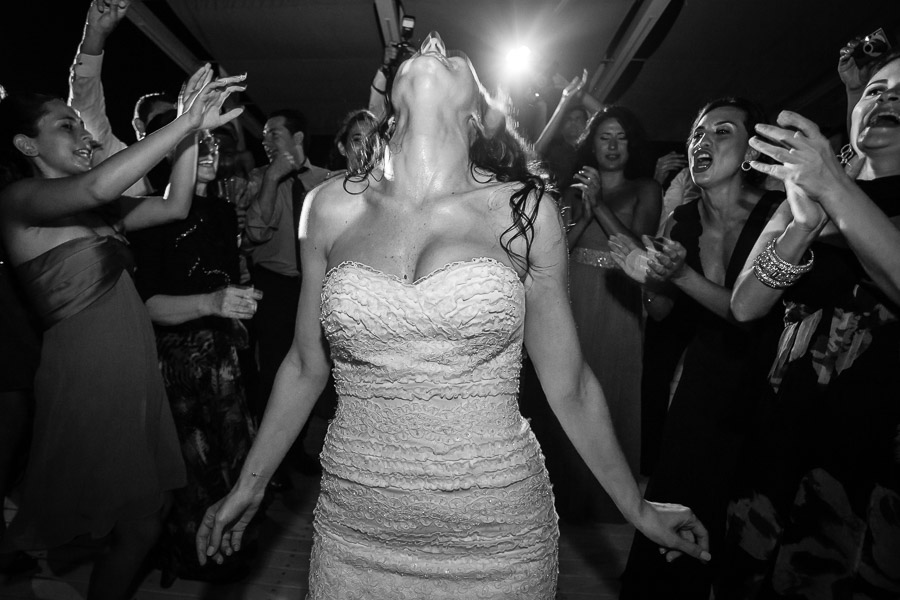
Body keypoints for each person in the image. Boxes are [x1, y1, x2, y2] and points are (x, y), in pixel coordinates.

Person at [197, 32, 709, 599]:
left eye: (457, 57)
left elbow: (570, 384)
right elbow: (302, 365)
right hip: (355, 531)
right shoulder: (328, 207)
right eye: (423, 51)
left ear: (479, 117)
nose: (435, 43)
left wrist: (637, 507)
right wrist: (250, 484)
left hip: (496, 535)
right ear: (391, 101)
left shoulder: (525, 211)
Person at [0, 65, 245, 599]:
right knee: (124, 516)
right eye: (67, 126)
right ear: (26, 143)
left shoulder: (103, 209)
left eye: (80, 126)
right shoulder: (19, 201)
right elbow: (96, 183)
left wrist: (193, 130)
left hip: (133, 365)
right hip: (88, 375)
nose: (84, 135)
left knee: (145, 518)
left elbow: (175, 205)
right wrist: (182, 122)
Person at [720, 50, 900, 599]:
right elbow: (746, 305)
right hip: (785, 423)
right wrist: (801, 225)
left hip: (877, 439)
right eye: (875, 90)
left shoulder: (833, 186)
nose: (886, 98)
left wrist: (835, 188)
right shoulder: (811, 193)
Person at [611, 97, 784, 599]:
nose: (701, 142)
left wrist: (680, 275)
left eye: (721, 131)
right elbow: (662, 312)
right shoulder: (680, 219)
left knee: (747, 537)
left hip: (764, 388)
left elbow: (745, 311)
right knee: (675, 523)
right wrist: (649, 280)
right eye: (695, 134)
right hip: (702, 387)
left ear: (751, 148)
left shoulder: (780, 216)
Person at [128, 130, 262, 586]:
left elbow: (225, 279)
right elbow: (147, 305)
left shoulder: (223, 211)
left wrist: (236, 307)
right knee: (193, 466)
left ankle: (227, 551)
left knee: (237, 456)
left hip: (222, 351)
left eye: (214, 147)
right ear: (170, 153)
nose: (211, 154)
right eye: (197, 146)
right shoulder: (146, 215)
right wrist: (212, 303)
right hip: (179, 355)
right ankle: (188, 557)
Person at [552, 105, 660, 522]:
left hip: (618, 299)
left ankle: (611, 501)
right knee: (567, 390)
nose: (613, 146)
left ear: (631, 146)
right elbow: (557, 251)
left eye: (621, 138)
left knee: (612, 389)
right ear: (591, 144)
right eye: (604, 137)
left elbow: (639, 248)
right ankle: (561, 496)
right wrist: (583, 208)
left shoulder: (644, 189)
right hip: (575, 295)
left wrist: (600, 206)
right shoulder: (570, 190)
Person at [243, 108, 331, 483]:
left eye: (274, 134)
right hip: (274, 287)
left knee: (314, 367)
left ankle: (297, 451)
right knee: (274, 372)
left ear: (297, 139)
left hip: (314, 287)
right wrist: (272, 179)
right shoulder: (257, 178)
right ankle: (270, 464)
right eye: (263, 135)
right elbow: (256, 233)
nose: (266, 141)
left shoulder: (327, 181)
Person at [69, 0, 174, 195]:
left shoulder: (198, 166)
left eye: (176, 120)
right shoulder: (116, 160)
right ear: (139, 126)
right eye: (161, 121)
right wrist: (95, 33)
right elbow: (86, 104)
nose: (171, 128)